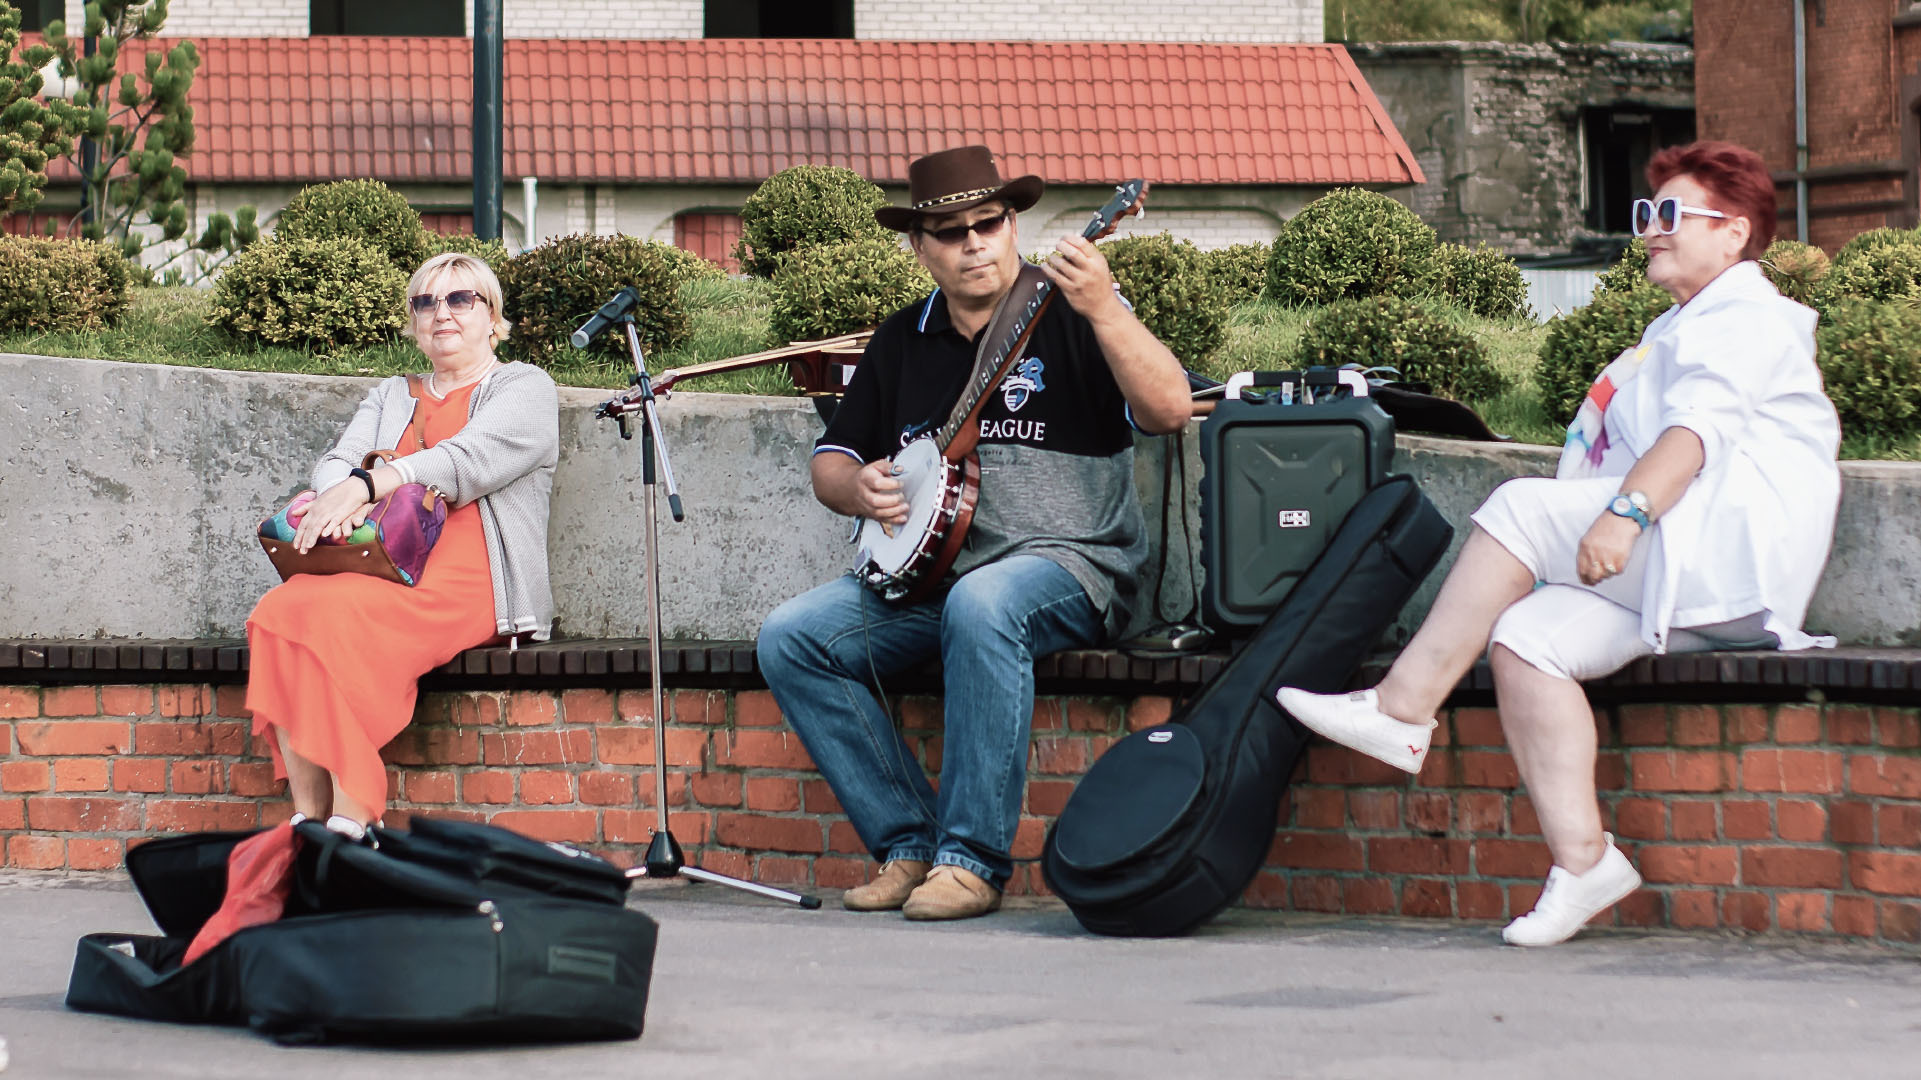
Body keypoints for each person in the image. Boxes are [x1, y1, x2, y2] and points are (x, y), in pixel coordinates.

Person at [1279, 140, 1842, 946]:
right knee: (1525, 641)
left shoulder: (1747, 315)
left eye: (1671, 214)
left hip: (1720, 553)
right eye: (1648, 213)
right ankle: (1584, 863)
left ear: (1734, 232)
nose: (1650, 229)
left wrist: (1623, 514)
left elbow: (1695, 432)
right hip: (1688, 571)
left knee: (1517, 507)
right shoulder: (1685, 322)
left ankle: (1402, 710)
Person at [756, 145, 1192, 920]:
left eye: (987, 223)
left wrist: (1104, 307)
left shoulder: (1074, 313)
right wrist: (858, 489)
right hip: (932, 579)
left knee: (984, 603)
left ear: (1011, 224)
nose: (972, 242)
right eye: (949, 231)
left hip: (1070, 566)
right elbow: (831, 461)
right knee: (792, 637)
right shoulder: (902, 338)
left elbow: (1166, 411)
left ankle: (970, 860)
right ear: (920, 246)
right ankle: (907, 843)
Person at [246, 251, 559, 838]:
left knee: (332, 619)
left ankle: (353, 810)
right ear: (414, 323)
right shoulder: (393, 393)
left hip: (470, 578)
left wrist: (368, 484)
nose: (442, 313)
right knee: (278, 612)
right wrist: (338, 494)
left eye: (461, 299)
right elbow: (336, 461)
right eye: (426, 302)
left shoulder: (523, 386)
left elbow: (465, 461)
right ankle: (308, 817)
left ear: (492, 318)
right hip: (379, 567)